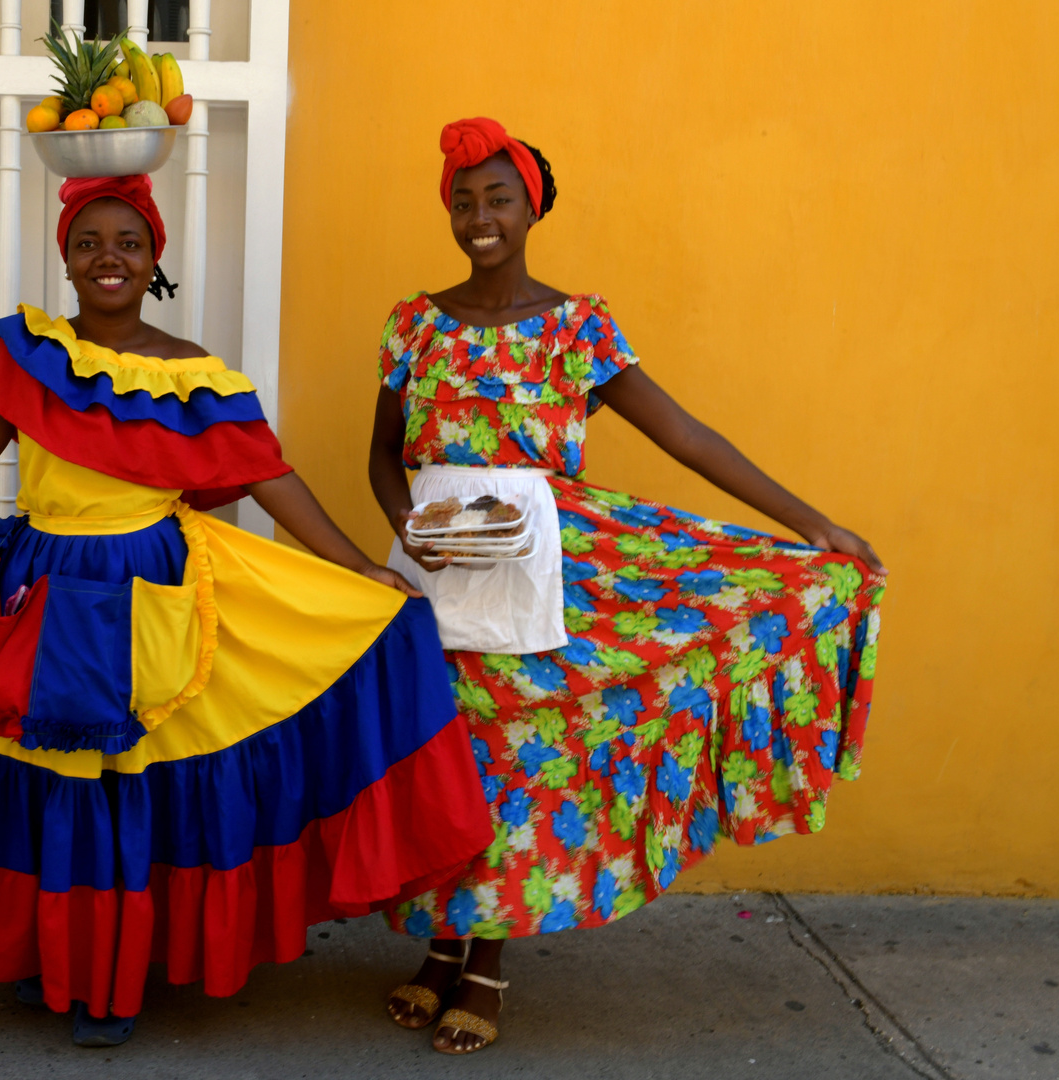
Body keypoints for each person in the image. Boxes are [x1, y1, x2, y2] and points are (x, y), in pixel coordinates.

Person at [0, 173, 492, 1048]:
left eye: (128, 244)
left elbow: (268, 478)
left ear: (153, 259)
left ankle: (115, 977)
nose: (109, 258)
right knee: (51, 775)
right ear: (66, 258)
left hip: (153, 587)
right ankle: (54, 958)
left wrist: (359, 566)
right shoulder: (30, 359)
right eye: (90, 243)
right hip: (39, 585)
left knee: (128, 776)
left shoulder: (192, 372)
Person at [369, 118, 888, 1055]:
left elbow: (684, 435)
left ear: (532, 208)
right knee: (451, 752)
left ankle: (484, 961)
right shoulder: (414, 322)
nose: (479, 216)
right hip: (438, 574)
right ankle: (441, 946)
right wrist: (406, 526)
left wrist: (810, 525)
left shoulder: (577, 325)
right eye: (462, 199)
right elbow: (381, 458)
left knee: (519, 758)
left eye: (498, 198)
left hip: (540, 571)